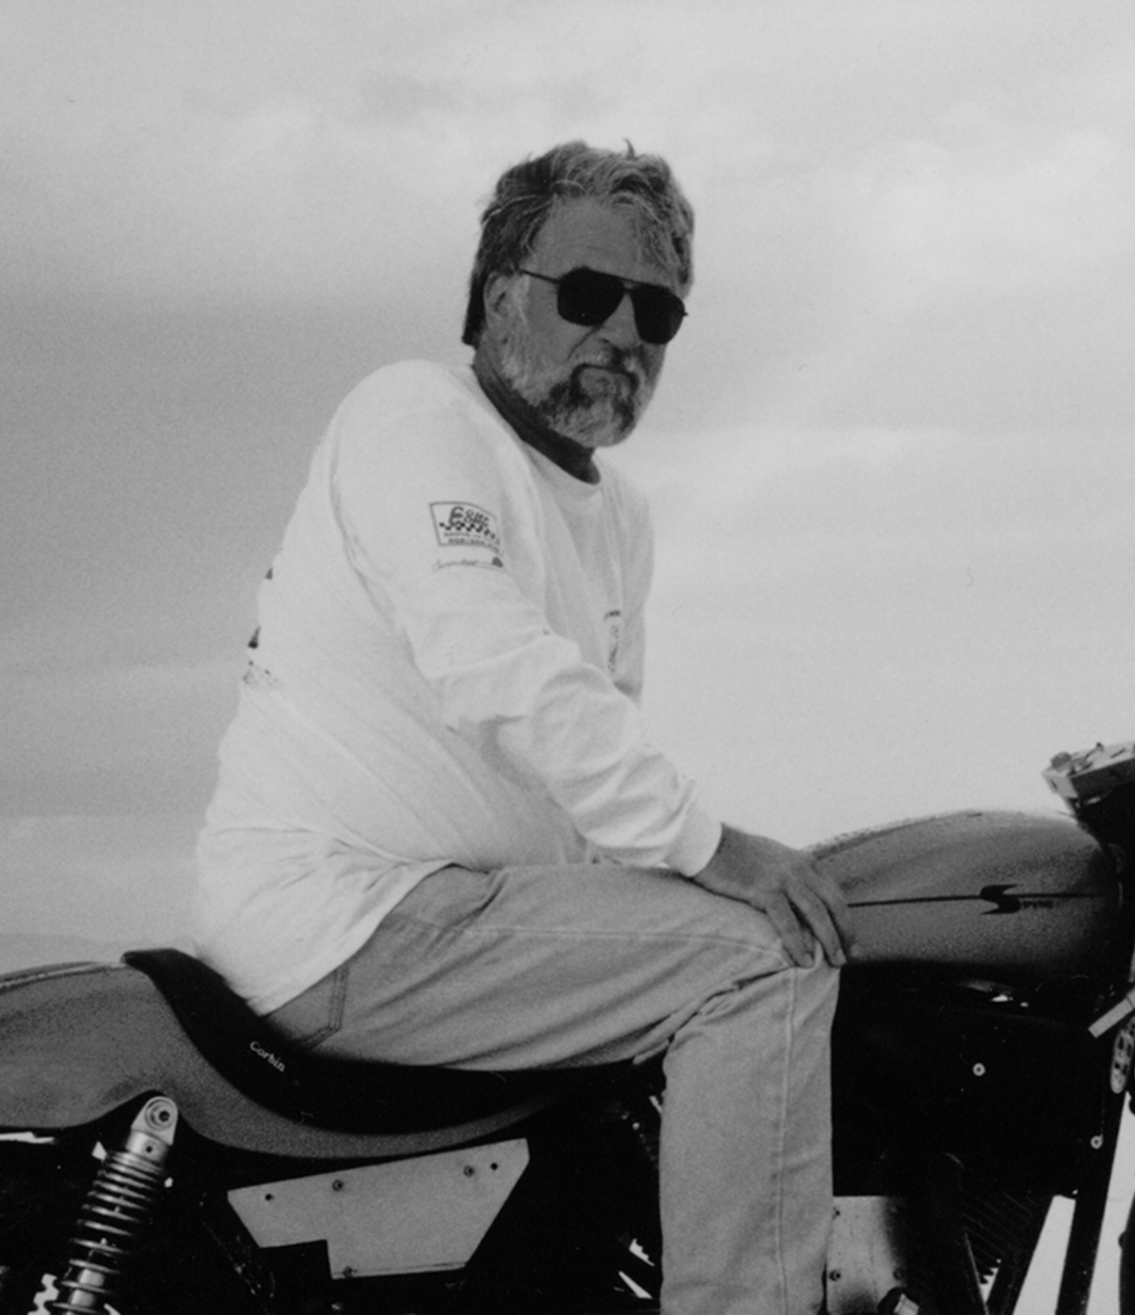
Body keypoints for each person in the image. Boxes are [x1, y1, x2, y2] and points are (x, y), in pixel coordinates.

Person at [193, 141, 850, 1315]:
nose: (624, 333)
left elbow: (585, 750)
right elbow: (491, 659)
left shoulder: (616, 515)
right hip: (357, 915)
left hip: (467, 914)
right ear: (501, 299)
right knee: (763, 958)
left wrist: (674, 865)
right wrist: (714, 850)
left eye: (656, 311)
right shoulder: (418, 416)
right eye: (588, 293)